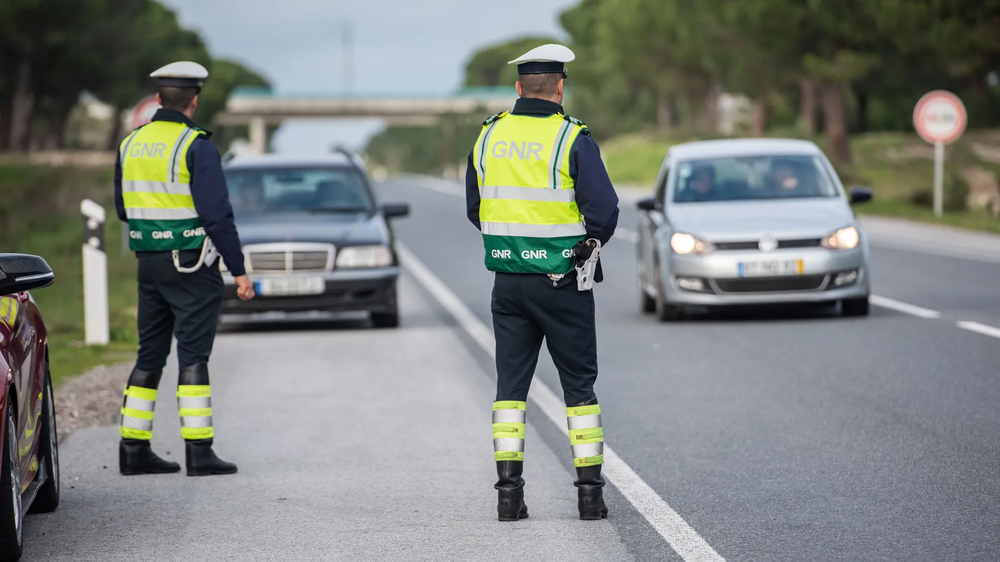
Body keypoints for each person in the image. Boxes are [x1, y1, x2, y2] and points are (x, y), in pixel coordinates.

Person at [465, 44, 619, 522]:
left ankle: (508, 498)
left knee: (510, 390)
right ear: (559, 87)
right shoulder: (572, 138)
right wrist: (580, 245)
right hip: (563, 284)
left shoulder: (488, 137)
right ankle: (589, 499)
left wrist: (517, 245)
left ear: (517, 88)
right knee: (579, 388)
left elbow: (476, 209)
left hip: (508, 284)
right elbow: (605, 212)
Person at [114, 61, 255, 477]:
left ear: (158, 99)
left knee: (149, 355)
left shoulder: (130, 145)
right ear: (194, 101)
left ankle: (133, 450)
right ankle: (199, 451)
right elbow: (217, 215)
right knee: (193, 356)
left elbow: (124, 211)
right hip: (191, 263)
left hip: (148, 265)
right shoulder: (196, 145)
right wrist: (239, 271)